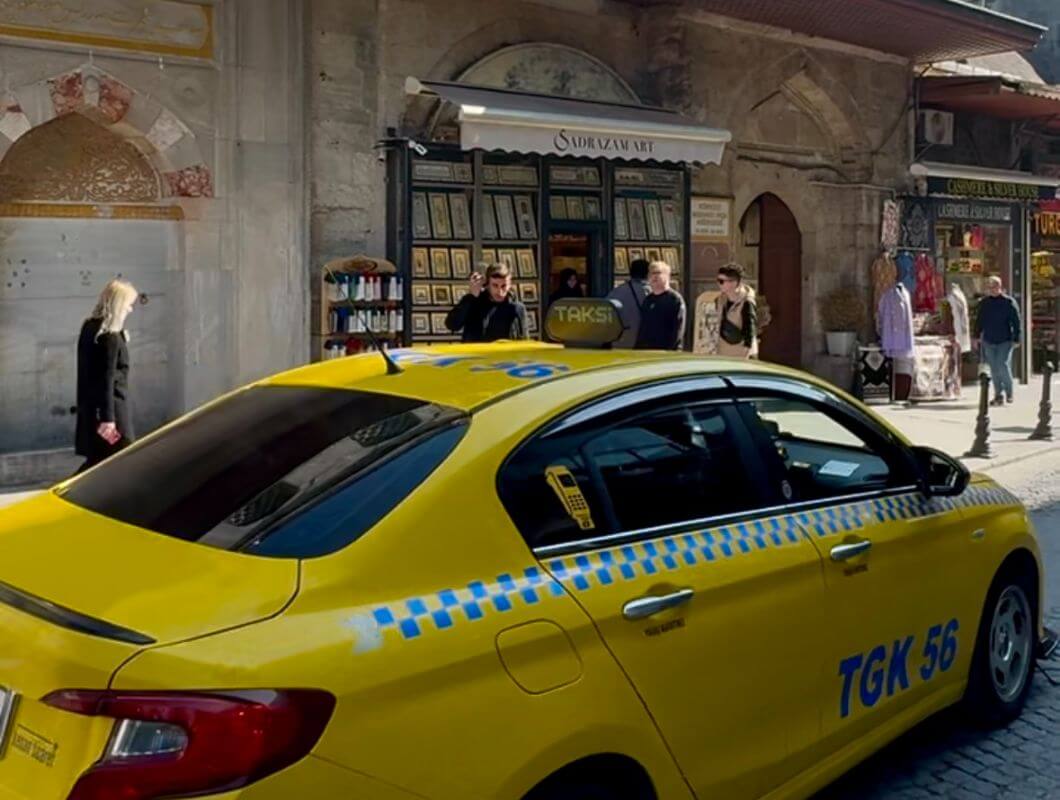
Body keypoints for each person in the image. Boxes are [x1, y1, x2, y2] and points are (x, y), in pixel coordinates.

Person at [75, 278, 138, 473]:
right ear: (119, 304)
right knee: (122, 459)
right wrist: (108, 420)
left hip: (92, 409)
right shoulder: (109, 337)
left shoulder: (90, 328)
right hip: (111, 412)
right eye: (128, 305)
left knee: (99, 462)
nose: (130, 310)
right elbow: (107, 379)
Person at [445, 262, 528, 342]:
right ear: (487, 284)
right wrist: (471, 297)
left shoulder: (517, 308)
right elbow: (452, 325)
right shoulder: (474, 303)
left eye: (504, 286)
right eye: (495, 285)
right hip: (478, 355)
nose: (500, 291)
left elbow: (524, 340)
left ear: (509, 285)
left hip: (506, 355)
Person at [975, 274, 1021, 405]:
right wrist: (976, 335)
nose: (992, 289)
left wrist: (1016, 337)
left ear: (1000, 287)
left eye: (994, 287)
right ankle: (998, 394)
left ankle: (1009, 392)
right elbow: (980, 320)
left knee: (1003, 365)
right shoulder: (985, 303)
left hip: (1005, 340)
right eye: (989, 287)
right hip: (989, 340)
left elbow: (1016, 321)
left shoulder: (1008, 302)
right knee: (994, 368)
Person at [635, 261, 686, 350]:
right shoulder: (648, 300)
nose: (654, 276)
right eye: (651, 273)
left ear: (667, 276)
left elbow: (678, 330)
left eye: (657, 273)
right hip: (647, 353)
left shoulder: (674, 300)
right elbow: (643, 328)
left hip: (666, 354)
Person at [716, 263, 758, 358]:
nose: (719, 284)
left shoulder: (747, 302)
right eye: (718, 280)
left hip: (740, 354)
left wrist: (746, 355)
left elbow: (750, 331)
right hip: (723, 352)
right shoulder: (721, 299)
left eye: (722, 281)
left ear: (733, 283)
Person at [606, 258, 650, 349]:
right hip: (648, 347)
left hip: (622, 343)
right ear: (648, 273)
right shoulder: (655, 293)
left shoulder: (617, 293)